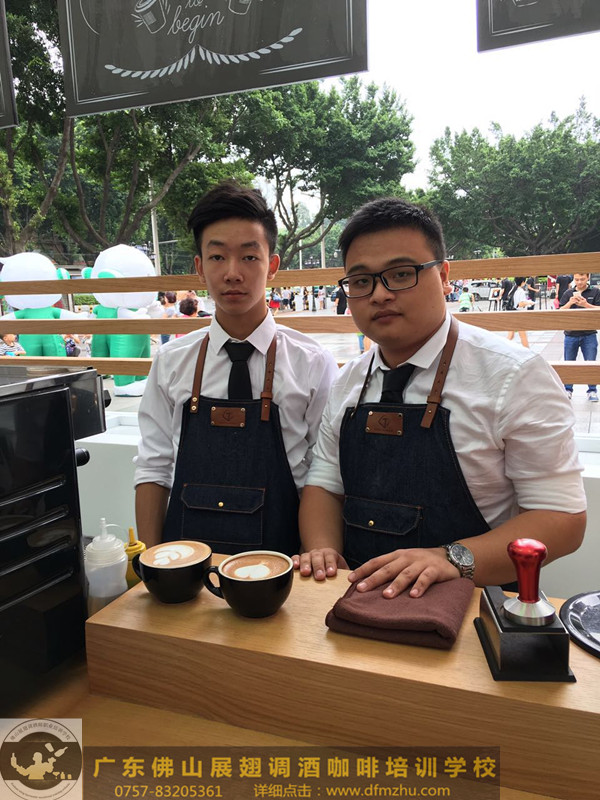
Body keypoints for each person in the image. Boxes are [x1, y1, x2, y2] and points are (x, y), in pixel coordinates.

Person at [296, 196, 585, 598]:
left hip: (470, 607)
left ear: (445, 275)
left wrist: (452, 559)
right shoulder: (348, 380)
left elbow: (562, 518)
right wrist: (322, 551)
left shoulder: (514, 374)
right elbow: (324, 485)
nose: (379, 294)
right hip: (356, 597)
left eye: (401, 274)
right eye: (361, 281)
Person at [135, 181, 338, 555]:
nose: (232, 273)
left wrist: (316, 555)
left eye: (249, 257)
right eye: (217, 257)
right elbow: (153, 466)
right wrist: (149, 562)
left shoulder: (312, 362)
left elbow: (324, 472)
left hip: (285, 560)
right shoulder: (171, 361)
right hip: (186, 564)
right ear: (199, 267)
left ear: (272, 266)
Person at [559, 272, 600, 402]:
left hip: (589, 333)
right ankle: (568, 389)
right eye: (576, 279)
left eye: (582, 279)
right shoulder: (568, 293)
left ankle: (592, 390)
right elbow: (560, 311)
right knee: (569, 363)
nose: (579, 282)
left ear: (588, 277)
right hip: (571, 333)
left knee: (591, 363)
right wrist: (570, 303)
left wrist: (586, 305)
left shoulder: (595, 292)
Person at [506, 276, 534, 347]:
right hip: (519, 315)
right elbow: (520, 304)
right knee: (523, 336)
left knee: (511, 335)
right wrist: (529, 303)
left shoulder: (513, 289)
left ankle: (502, 348)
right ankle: (527, 351)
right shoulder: (521, 291)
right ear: (523, 282)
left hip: (512, 313)